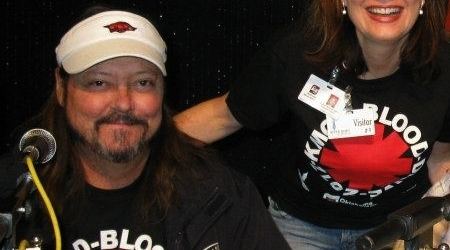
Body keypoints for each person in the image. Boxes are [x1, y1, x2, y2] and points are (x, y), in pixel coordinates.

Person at [0, 6, 291, 250]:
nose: (124, 103)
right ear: (61, 88)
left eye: (142, 83)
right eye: (99, 83)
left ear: (163, 92)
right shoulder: (14, 194)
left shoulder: (220, 198)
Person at [174, 0, 450, 249]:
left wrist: (439, 218)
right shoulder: (297, 54)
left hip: (395, 229)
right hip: (302, 227)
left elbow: (440, 161)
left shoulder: (445, 67)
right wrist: (141, 150)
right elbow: (223, 117)